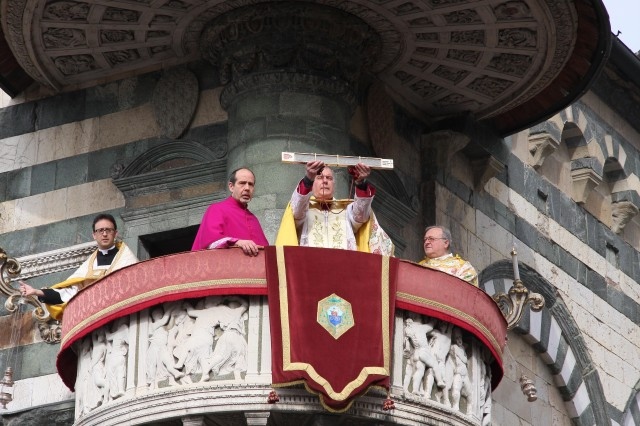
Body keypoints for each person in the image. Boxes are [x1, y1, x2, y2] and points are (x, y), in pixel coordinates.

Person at [19, 213, 139, 320]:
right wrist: (36, 291)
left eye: (108, 230)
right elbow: (69, 293)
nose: (104, 234)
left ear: (115, 233)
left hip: (121, 314)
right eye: (100, 230)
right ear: (94, 235)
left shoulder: (127, 259)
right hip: (95, 317)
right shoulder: (87, 267)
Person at [276, 160, 393, 255]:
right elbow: (296, 210)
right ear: (312, 184)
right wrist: (308, 179)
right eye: (319, 177)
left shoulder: (346, 210)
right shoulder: (304, 209)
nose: (325, 181)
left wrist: (360, 183)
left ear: (334, 185)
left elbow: (361, 215)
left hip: (344, 269)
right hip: (312, 269)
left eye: (329, 178)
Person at [192, 167, 269, 256]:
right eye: (242, 183)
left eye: (251, 184)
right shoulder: (217, 209)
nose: (247, 188)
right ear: (231, 187)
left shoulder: (254, 219)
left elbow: (265, 252)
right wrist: (237, 242)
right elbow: (210, 242)